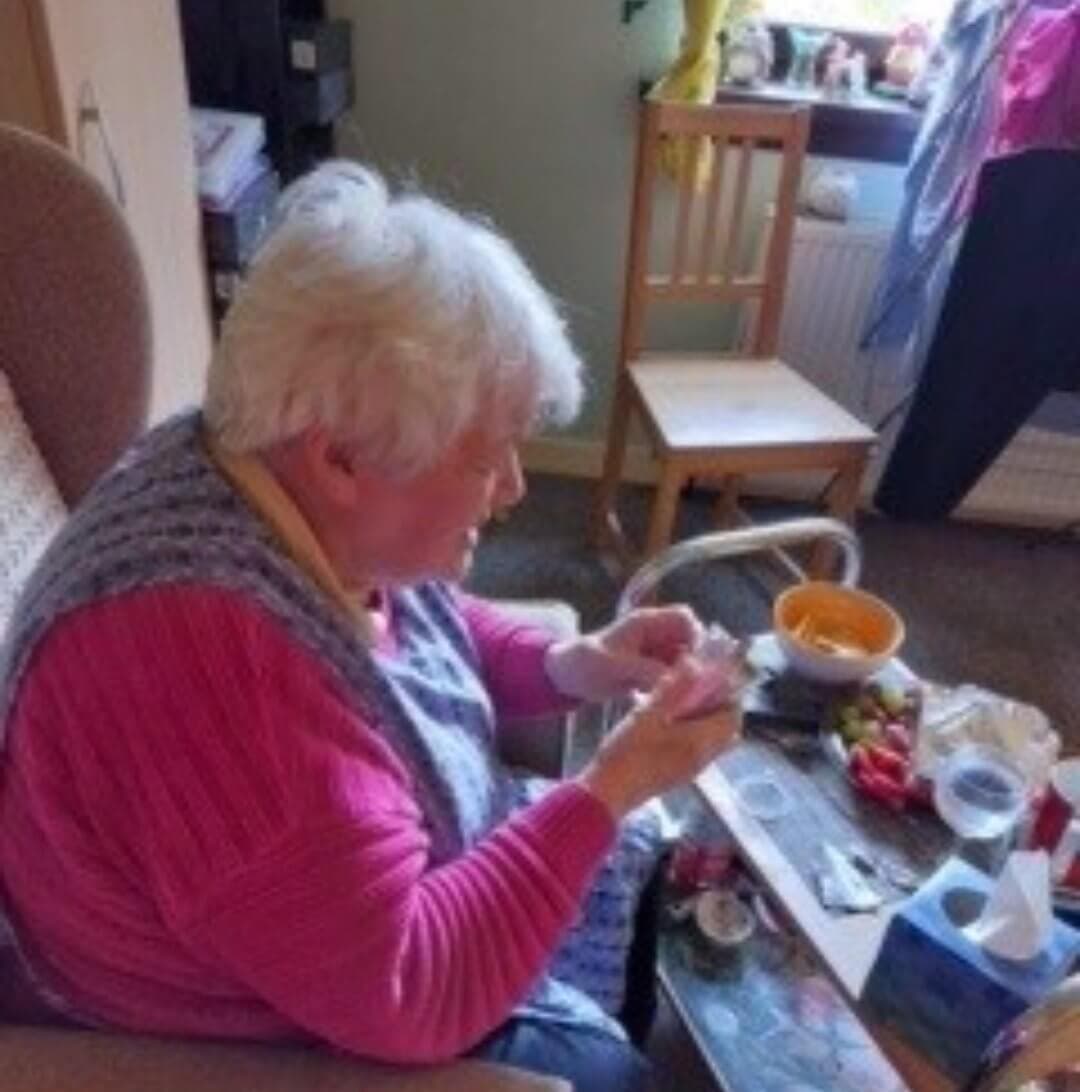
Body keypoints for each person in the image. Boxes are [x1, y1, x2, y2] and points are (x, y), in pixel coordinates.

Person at [0, 163, 741, 1092]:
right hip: (248, 1024)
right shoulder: (216, 678)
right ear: (341, 458)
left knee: (633, 901)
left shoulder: (256, 472)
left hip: (325, 921)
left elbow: (415, 629)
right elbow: (407, 989)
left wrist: (574, 665)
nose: (515, 489)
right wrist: (614, 784)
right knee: (618, 1072)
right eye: (488, 459)